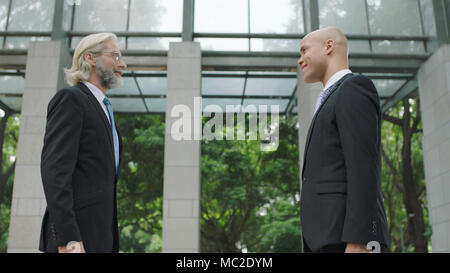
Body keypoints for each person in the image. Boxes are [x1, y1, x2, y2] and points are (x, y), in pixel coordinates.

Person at [298, 27, 389, 253]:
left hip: (349, 240)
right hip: (326, 239)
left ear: (328, 46)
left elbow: (363, 167)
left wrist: (360, 239)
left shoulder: (354, 88)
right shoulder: (329, 99)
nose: (300, 60)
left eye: (304, 51)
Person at [39, 33, 126, 253]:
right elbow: (55, 171)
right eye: (115, 55)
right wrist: (68, 239)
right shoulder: (71, 99)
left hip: (100, 239)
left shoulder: (106, 112)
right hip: (75, 241)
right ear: (90, 58)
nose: (122, 64)